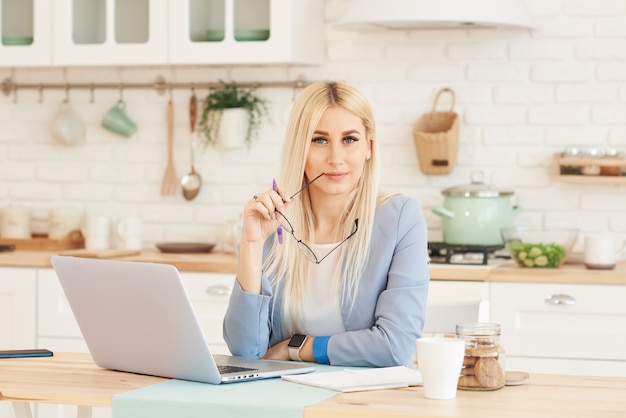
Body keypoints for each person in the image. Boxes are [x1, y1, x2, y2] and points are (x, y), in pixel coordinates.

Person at [223, 81, 430, 367]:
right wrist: (252, 244)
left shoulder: (400, 218)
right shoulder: (273, 223)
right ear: (301, 148)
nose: (335, 158)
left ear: (368, 147)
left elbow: (395, 346)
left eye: (349, 140)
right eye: (319, 140)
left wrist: (297, 348)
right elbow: (245, 353)